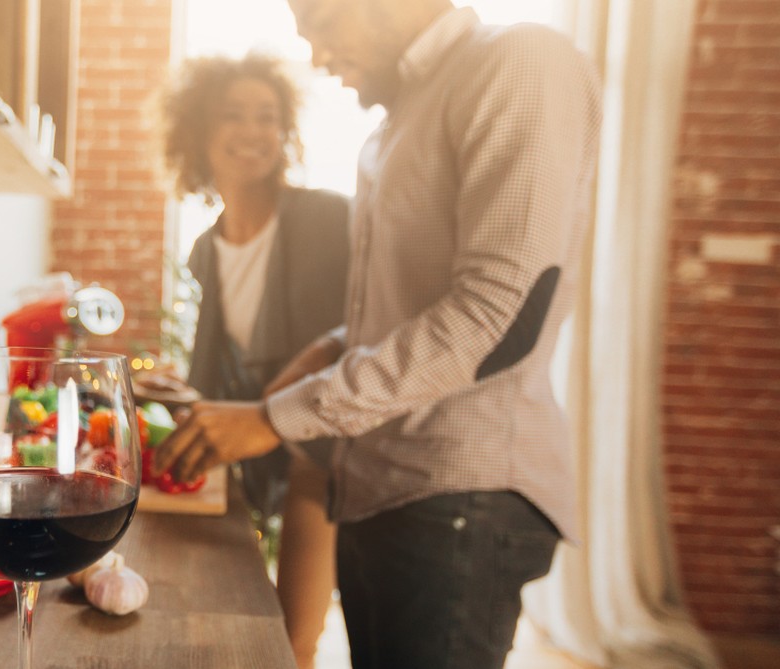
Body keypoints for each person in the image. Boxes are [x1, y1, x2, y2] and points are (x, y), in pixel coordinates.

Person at [153, 1, 603, 667]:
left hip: (456, 491)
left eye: (323, 24)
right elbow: (409, 312)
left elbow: (497, 315)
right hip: (380, 486)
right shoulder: (393, 127)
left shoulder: (517, 61)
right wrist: (333, 344)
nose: (315, 56)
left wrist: (278, 414)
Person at [152, 53, 350, 669]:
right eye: (232, 115)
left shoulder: (325, 219)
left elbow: (348, 345)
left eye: (268, 117)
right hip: (260, 464)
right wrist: (177, 389)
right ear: (198, 132)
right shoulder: (206, 248)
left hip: (323, 459)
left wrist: (263, 415)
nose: (253, 132)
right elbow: (221, 383)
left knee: (289, 646)